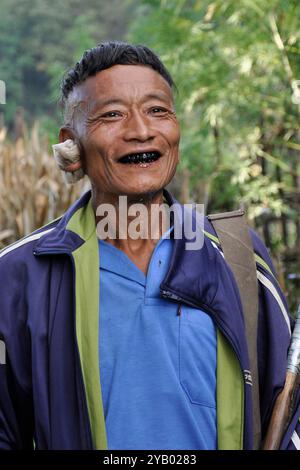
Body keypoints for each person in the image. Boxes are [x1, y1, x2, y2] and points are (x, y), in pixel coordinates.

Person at [0, 41, 299, 451]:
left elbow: (287, 409)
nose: (141, 130)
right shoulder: (19, 276)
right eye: (112, 114)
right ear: (71, 149)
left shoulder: (235, 254)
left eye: (158, 110)